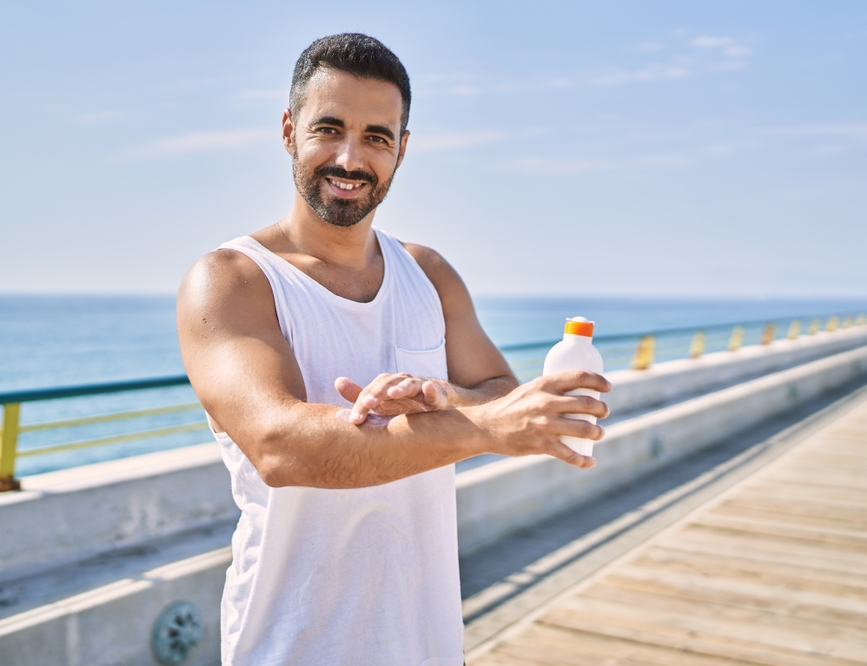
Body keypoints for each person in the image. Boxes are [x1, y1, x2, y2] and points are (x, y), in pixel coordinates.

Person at [175, 33, 610, 666]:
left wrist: (439, 398)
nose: (351, 159)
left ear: (401, 150)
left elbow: (497, 390)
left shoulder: (428, 273)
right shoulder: (232, 280)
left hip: (428, 646)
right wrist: (482, 425)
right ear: (290, 130)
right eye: (330, 129)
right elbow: (278, 446)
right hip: (290, 646)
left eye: (377, 137)